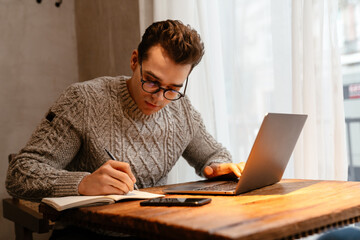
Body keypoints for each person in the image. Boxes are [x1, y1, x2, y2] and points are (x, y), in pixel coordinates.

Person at [6, 19, 244, 239]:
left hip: (153, 230)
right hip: (87, 232)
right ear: (134, 61)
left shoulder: (181, 110)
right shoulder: (83, 100)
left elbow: (214, 155)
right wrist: (83, 183)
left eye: (172, 88)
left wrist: (218, 168)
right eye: (151, 81)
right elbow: (19, 174)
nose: (159, 98)